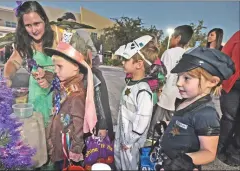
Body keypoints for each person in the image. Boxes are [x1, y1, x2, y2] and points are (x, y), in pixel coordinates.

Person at [157, 46, 235, 170]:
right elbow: (186, 125)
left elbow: (209, 152)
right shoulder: (186, 101)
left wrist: (184, 162)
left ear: (212, 81)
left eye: (186, 78)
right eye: (179, 77)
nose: (178, 83)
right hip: (166, 161)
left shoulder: (206, 114)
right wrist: (168, 124)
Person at [57, 12, 114, 141]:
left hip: (86, 69)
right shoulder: (66, 34)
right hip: (77, 70)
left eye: (65, 23)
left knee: (95, 100)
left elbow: (91, 53)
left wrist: (103, 126)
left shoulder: (79, 32)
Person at [3, 1, 61, 125]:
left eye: (37, 24)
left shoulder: (58, 38)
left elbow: (70, 67)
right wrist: (7, 77)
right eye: (28, 25)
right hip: (36, 98)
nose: (34, 30)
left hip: (56, 98)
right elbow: (13, 62)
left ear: (44, 20)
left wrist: (50, 77)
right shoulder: (26, 43)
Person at [44, 33, 96, 170]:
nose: (56, 71)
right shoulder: (64, 85)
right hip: (58, 142)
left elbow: (78, 125)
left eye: (59, 67)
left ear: (75, 66)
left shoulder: (76, 94)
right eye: (55, 66)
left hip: (66, 151)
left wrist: (76, 150)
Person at [114, 35, 159, 170]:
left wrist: (130, 141)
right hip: (122, 136)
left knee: (129, 165)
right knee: (119, 162)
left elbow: (142, 120)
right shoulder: (130, 84)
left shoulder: (143, 90)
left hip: (131, 143)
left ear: (139, 64)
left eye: (126, 59)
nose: (123, 62)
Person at [149, 25, 194, 138]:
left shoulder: (169, 53)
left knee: (156, 126)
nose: (170, 39)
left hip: (165, 96)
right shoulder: (188, 55)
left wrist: (157, 91)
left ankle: (151, 146)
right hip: (179, 98)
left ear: (178, 38)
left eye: (172, 37)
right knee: (172, 127)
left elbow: (162, 74)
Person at [218, 30, 240, 166]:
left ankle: (235, 154)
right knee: (228, 117)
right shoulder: (238, 34)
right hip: (234, 83)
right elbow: (225, 54)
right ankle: (219, 148)